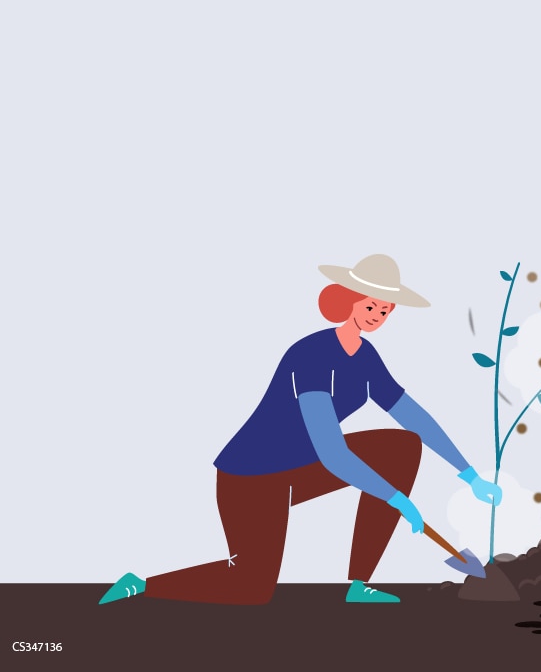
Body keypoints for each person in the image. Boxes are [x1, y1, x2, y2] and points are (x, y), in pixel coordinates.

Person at [100, 253, 502, 605]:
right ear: (350, 300)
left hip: (302, 467)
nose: (378, 314)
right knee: (251, 587)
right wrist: (396, 498)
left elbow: (413, 416)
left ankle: (359, 584)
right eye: (372, 304)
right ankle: (142, 584)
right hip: (252, 476)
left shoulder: (366, 357)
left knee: (401, 446)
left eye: (386, 309)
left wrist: (468, 474)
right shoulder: (311, 354)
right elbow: (331, 450)